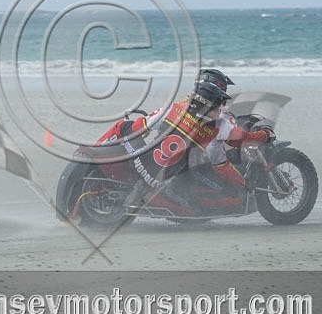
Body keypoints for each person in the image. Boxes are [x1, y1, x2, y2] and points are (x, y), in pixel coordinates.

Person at [96, 69, 275, 216]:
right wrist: (243, 182)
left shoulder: (173, 108)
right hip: (165, 179)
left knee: (124, 125)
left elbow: (142, 126)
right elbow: (221, 163)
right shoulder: (215, 128)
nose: (221, 104)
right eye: (220, 100)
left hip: (141, 163)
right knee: (229, 192)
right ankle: (186, 204)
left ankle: (97, 151)